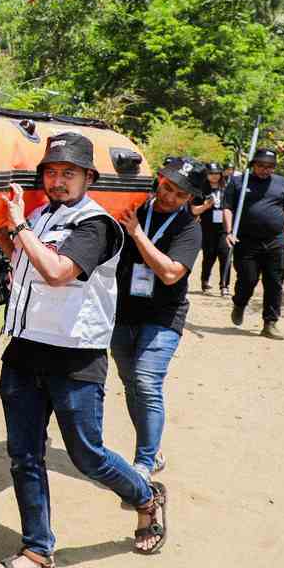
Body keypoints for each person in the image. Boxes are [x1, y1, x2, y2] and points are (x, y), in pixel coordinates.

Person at [0, 132, 169, 568]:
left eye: (69, 173)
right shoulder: (41, 216)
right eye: (51, 172)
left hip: (75, 358)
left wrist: (18, 227)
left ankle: (146, 496)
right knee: (23, 454)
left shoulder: (97, 225)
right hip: (25, 350)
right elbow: (23, 260)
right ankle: (37, 548)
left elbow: (56, 271)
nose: (58, 181)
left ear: (89, 177)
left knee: (86, 454)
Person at [112, 158, 207, 486]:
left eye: (180, 195)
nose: (170, 197)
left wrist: (137, 234)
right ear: (159, 179)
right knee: (131, 383)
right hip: (123, 311)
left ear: (189, 200)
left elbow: (169, 274)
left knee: (146, 381)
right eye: (167, 187)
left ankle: (143, 462)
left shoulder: (189, 229)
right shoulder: (134, 207)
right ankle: (154, 449)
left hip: (164, 315)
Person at [223, 148, 284, 339]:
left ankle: (270, 323)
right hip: (246, 241)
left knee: (274, 283)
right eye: (261, 165)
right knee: (248, 279)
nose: (265, 170)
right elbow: (227, 208)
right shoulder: (238, 182)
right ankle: (240, 303)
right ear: (253, 164)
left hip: (275, 241)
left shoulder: (282, 183)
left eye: (270, 167)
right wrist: (229, 231)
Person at [191, 162, 230, 296]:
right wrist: (206, 206)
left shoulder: (227, 189)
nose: (214, 176)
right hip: (207, 227)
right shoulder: (200, 190)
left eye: (217, 173)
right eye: (211, 173)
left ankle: (224, 285)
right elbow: (194, 210)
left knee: (225, 255)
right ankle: (205, 280)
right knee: (209, 256)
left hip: (224, 227)